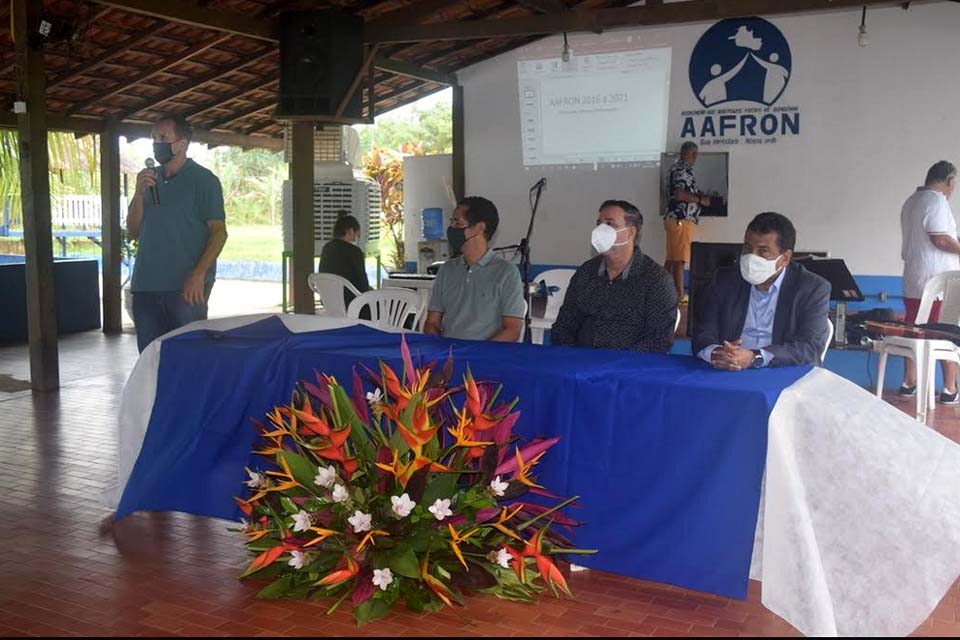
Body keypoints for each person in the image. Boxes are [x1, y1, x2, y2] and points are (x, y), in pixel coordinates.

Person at [127, 114, 227, 352]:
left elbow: (219, 233)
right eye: (153, 138)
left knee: (189, 357)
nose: (156, 143)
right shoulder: (149, 180)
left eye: (163, 137)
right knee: (150, 359)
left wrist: (198, 275)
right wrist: (139, 194)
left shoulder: (204, 181)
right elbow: (133, 231)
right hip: (145, 286)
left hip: (185, 289)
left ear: (181, 144)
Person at [692, 212, 830, 369]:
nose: (752, 257)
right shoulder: (724, 280)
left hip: (781, 371)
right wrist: (717, 353)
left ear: (785, 258)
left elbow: (810, 348)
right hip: (730, 369)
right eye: (748, 248)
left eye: (763, 251)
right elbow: (703, 333)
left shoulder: (812, 288)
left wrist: (755, 357)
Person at [551, 200, 677, 352]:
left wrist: (619, 361)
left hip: (629, 363)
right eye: (599, 224)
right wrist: (570, 355)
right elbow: (564, 325)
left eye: (610, 224)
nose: (601, 230)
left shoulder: (656, 279)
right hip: (580, 359)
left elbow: (659, 339)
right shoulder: (586, 272)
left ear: (631, 232)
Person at [423, 196, 525, 342]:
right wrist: (440, 348)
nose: (451, 228)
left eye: (458, 223)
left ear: (480, 228)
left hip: (484, 353)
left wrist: (478, 352)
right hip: (449, 352)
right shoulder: (447, 270)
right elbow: (431, 323)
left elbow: (512, 330)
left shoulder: (506, 273)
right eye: (451, 222)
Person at [899, 160, 960, 403]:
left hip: (914, 279)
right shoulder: (936, 200)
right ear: (950, 181)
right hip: (940, 282)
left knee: (915, 329)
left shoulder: (911, 201)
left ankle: (909, 383)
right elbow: (940, 240)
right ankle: (949, 388)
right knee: (947, 331)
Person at [663, 142, 710, 300]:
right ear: (688, 153)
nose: (695, 157)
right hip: (681, 218)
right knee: (679, 259)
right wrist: (700, 200)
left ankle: (663, 292)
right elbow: (679, 194)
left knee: (671, 259)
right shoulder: (682, 170)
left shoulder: (676, 168)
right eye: (694, 154)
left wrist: (697, 194)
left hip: (674, 218)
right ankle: (679, 294)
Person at [318, 212, 370, 309]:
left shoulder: (327, 248)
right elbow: (363, 283)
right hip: (353, 303)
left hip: (329, 300)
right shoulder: (355, 252)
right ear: (350, 231)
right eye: (357, 233)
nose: (357, 237)